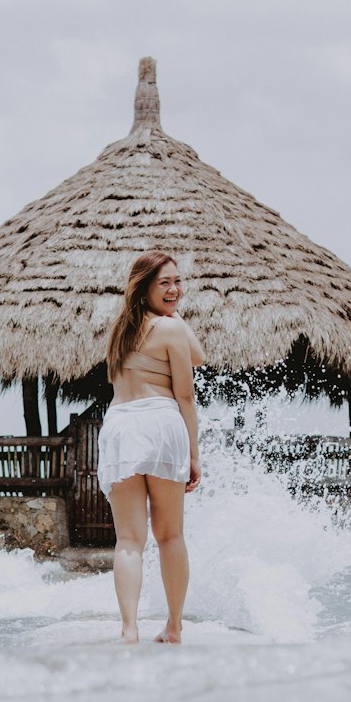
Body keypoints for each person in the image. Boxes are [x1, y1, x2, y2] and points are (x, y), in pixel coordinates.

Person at [97, 251, 205, 644]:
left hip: (121, 427)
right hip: (160, 422)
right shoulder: (170, 330)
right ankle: (174, 627)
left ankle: (129, 630)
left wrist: (170, 309)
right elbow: (186, 396)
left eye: (177, 282)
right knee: (170, 535)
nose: (174, 289)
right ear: (144, 288)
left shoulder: (119, 332)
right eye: (164, 283)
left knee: (128, 539)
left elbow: (197, 354)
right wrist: (194, 453)